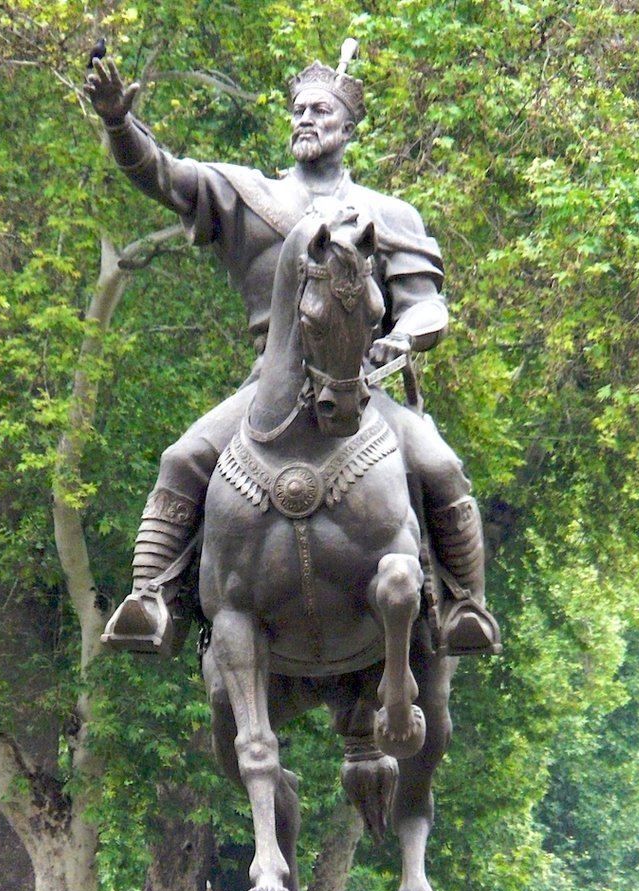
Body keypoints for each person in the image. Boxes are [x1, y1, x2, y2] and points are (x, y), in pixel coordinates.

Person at [85, 46, 500, 657]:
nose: (305, 119)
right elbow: (163, 175)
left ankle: (464, 608)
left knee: (439, 466)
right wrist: (120, 123)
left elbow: (427, 304)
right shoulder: (246, 195)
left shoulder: (388, 214)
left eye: (320, 110)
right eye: (298, 110)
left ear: (348, 125)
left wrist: (402, 339)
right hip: (268, 386)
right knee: (181, 458)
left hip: (361, 385)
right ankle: (151, 601)